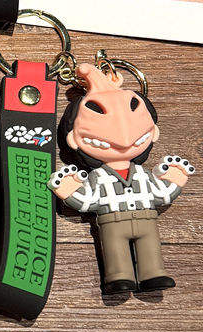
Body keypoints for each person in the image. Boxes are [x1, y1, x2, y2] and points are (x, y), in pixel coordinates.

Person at [49, 62, 195, 294]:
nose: (124, 139)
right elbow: (90, 200)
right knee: (115, 252)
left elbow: (161, 194)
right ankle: (118, 276)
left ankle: (153, 273)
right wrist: (69, 191)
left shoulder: (143, 174)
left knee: (150, 250)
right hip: (112, 222)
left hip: (147, 219)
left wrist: (175, 180)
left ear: (154, 131)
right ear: (73, 139)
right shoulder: (98, 177)